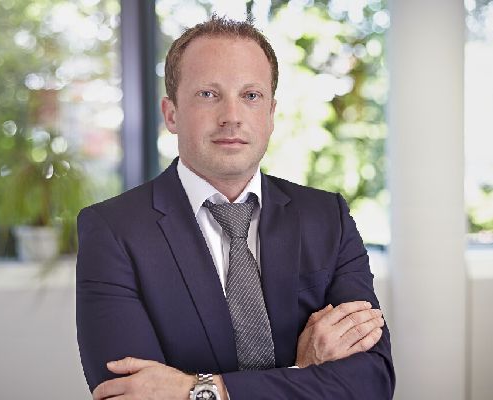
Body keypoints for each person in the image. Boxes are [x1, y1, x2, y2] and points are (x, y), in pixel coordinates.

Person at [76, 15, 394, 400]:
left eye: (251, 96)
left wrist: (203, 390)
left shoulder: (328, 218)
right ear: (171, 114)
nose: (232, 116)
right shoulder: (113, 231)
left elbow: (372, 382)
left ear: (271, 114)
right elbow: (128, 395)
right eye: (208, 94)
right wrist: (303, 372)